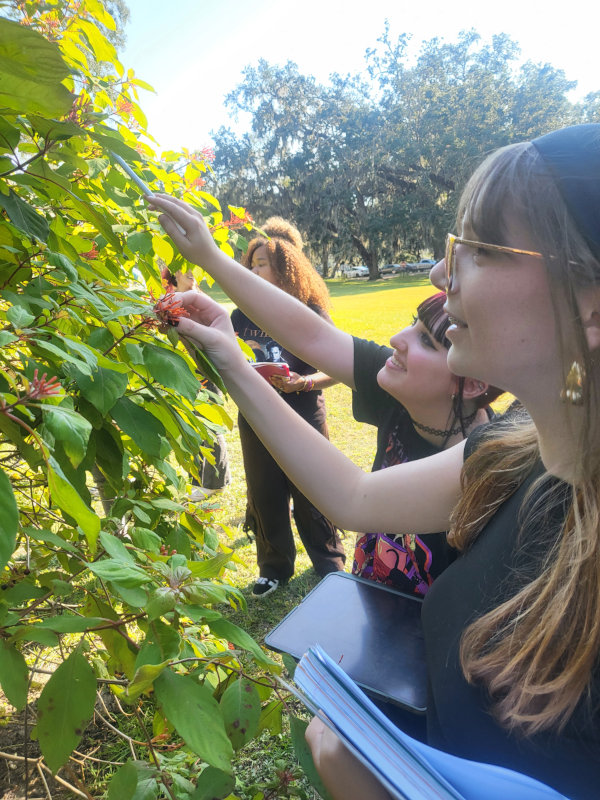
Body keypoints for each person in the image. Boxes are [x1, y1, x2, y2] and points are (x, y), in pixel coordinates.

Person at [149, 123, 600, 799]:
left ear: (590, 307)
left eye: (478, 248)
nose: (439, 272)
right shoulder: (512, 454)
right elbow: (355, 497)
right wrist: (227, 352)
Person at [168, 247, 500, 596]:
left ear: (474, 382)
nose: (396, 340)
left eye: (427, 341)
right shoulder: (403, 393)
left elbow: (353, 499)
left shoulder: (482, 465)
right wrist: (209, 255)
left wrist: (232, 365)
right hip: (372, 604)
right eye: (410, 323)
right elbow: (312, 336)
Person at [231, 218, 346, 596]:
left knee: (311, 485)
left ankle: (329, 563)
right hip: (256, 412)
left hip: (303, 409)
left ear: (285, 266)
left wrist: (304, 381)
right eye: (251, 264)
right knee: (264, 491)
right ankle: (273, 568)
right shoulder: (240, 315)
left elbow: (340, 366)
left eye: (261, 263)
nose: (253, 270)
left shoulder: (309, 310)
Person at [161, 266, 230, 498]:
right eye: (185, 269)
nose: (191, 273)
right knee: (192, 427)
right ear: (174, 273)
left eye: (194, 269)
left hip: (204, 371)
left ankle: (215, 482)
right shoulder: (167, 297)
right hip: (181, 373)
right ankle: (198, 480)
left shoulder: (200, 300)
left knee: (209, 425)